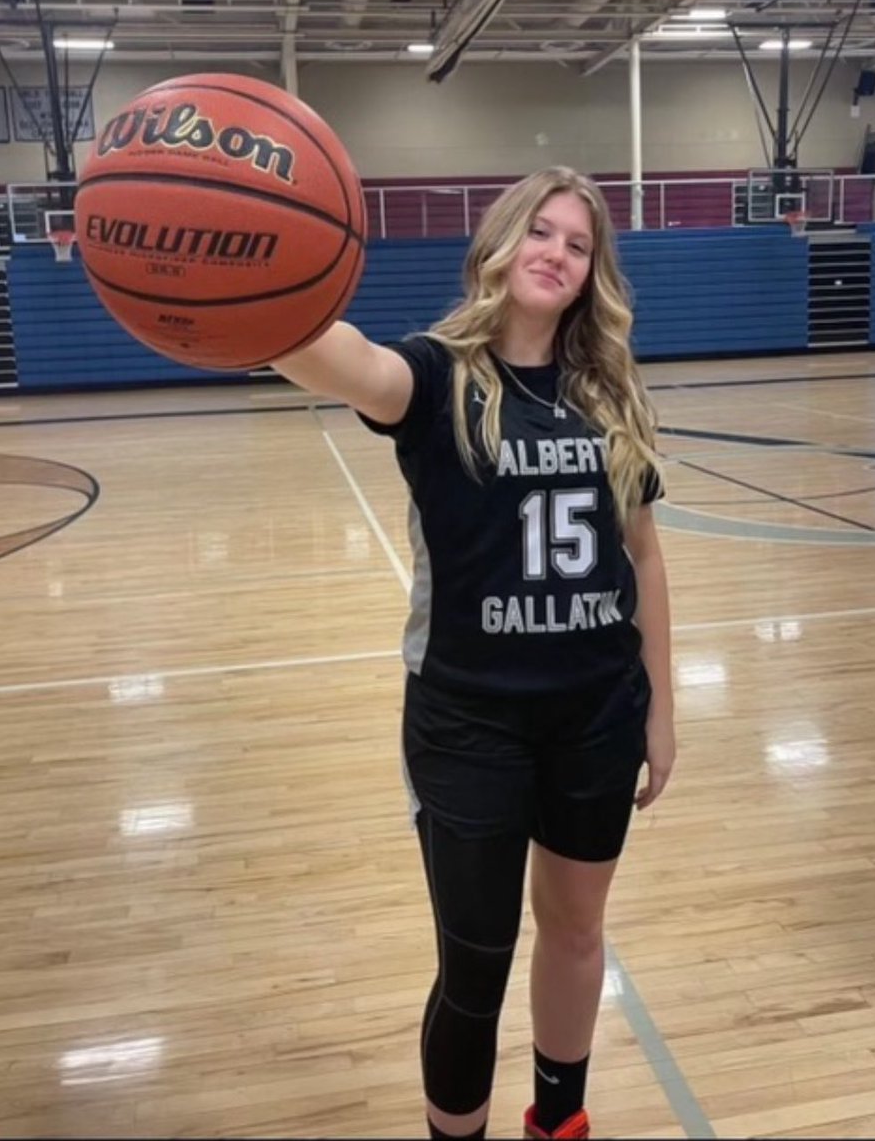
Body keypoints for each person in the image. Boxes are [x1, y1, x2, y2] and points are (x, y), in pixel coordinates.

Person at [273, 166, 675, 1141]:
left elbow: (646, 556)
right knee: (477, 964)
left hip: (596, 716)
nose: (557, 253)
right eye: (540, 232)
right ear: (500, 244)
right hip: (468, 724)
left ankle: (558, 1124)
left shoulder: (606, 392)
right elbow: (337, 360)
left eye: (578, 244)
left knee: (577, 932)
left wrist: (662, 712)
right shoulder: (434, 374)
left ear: (591, 273)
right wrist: (255, 297)